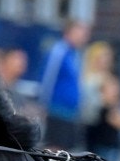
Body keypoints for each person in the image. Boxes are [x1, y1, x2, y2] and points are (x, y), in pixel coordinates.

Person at [38, 19, 90, 151]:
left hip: (70, 112)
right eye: (80, 32)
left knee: (66, 148)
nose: (83, 36)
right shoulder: (59, 51)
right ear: (69, 32)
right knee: (54, 148)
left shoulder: (76, 54)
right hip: (57, 110)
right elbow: (48, 78)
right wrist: (43, 103)